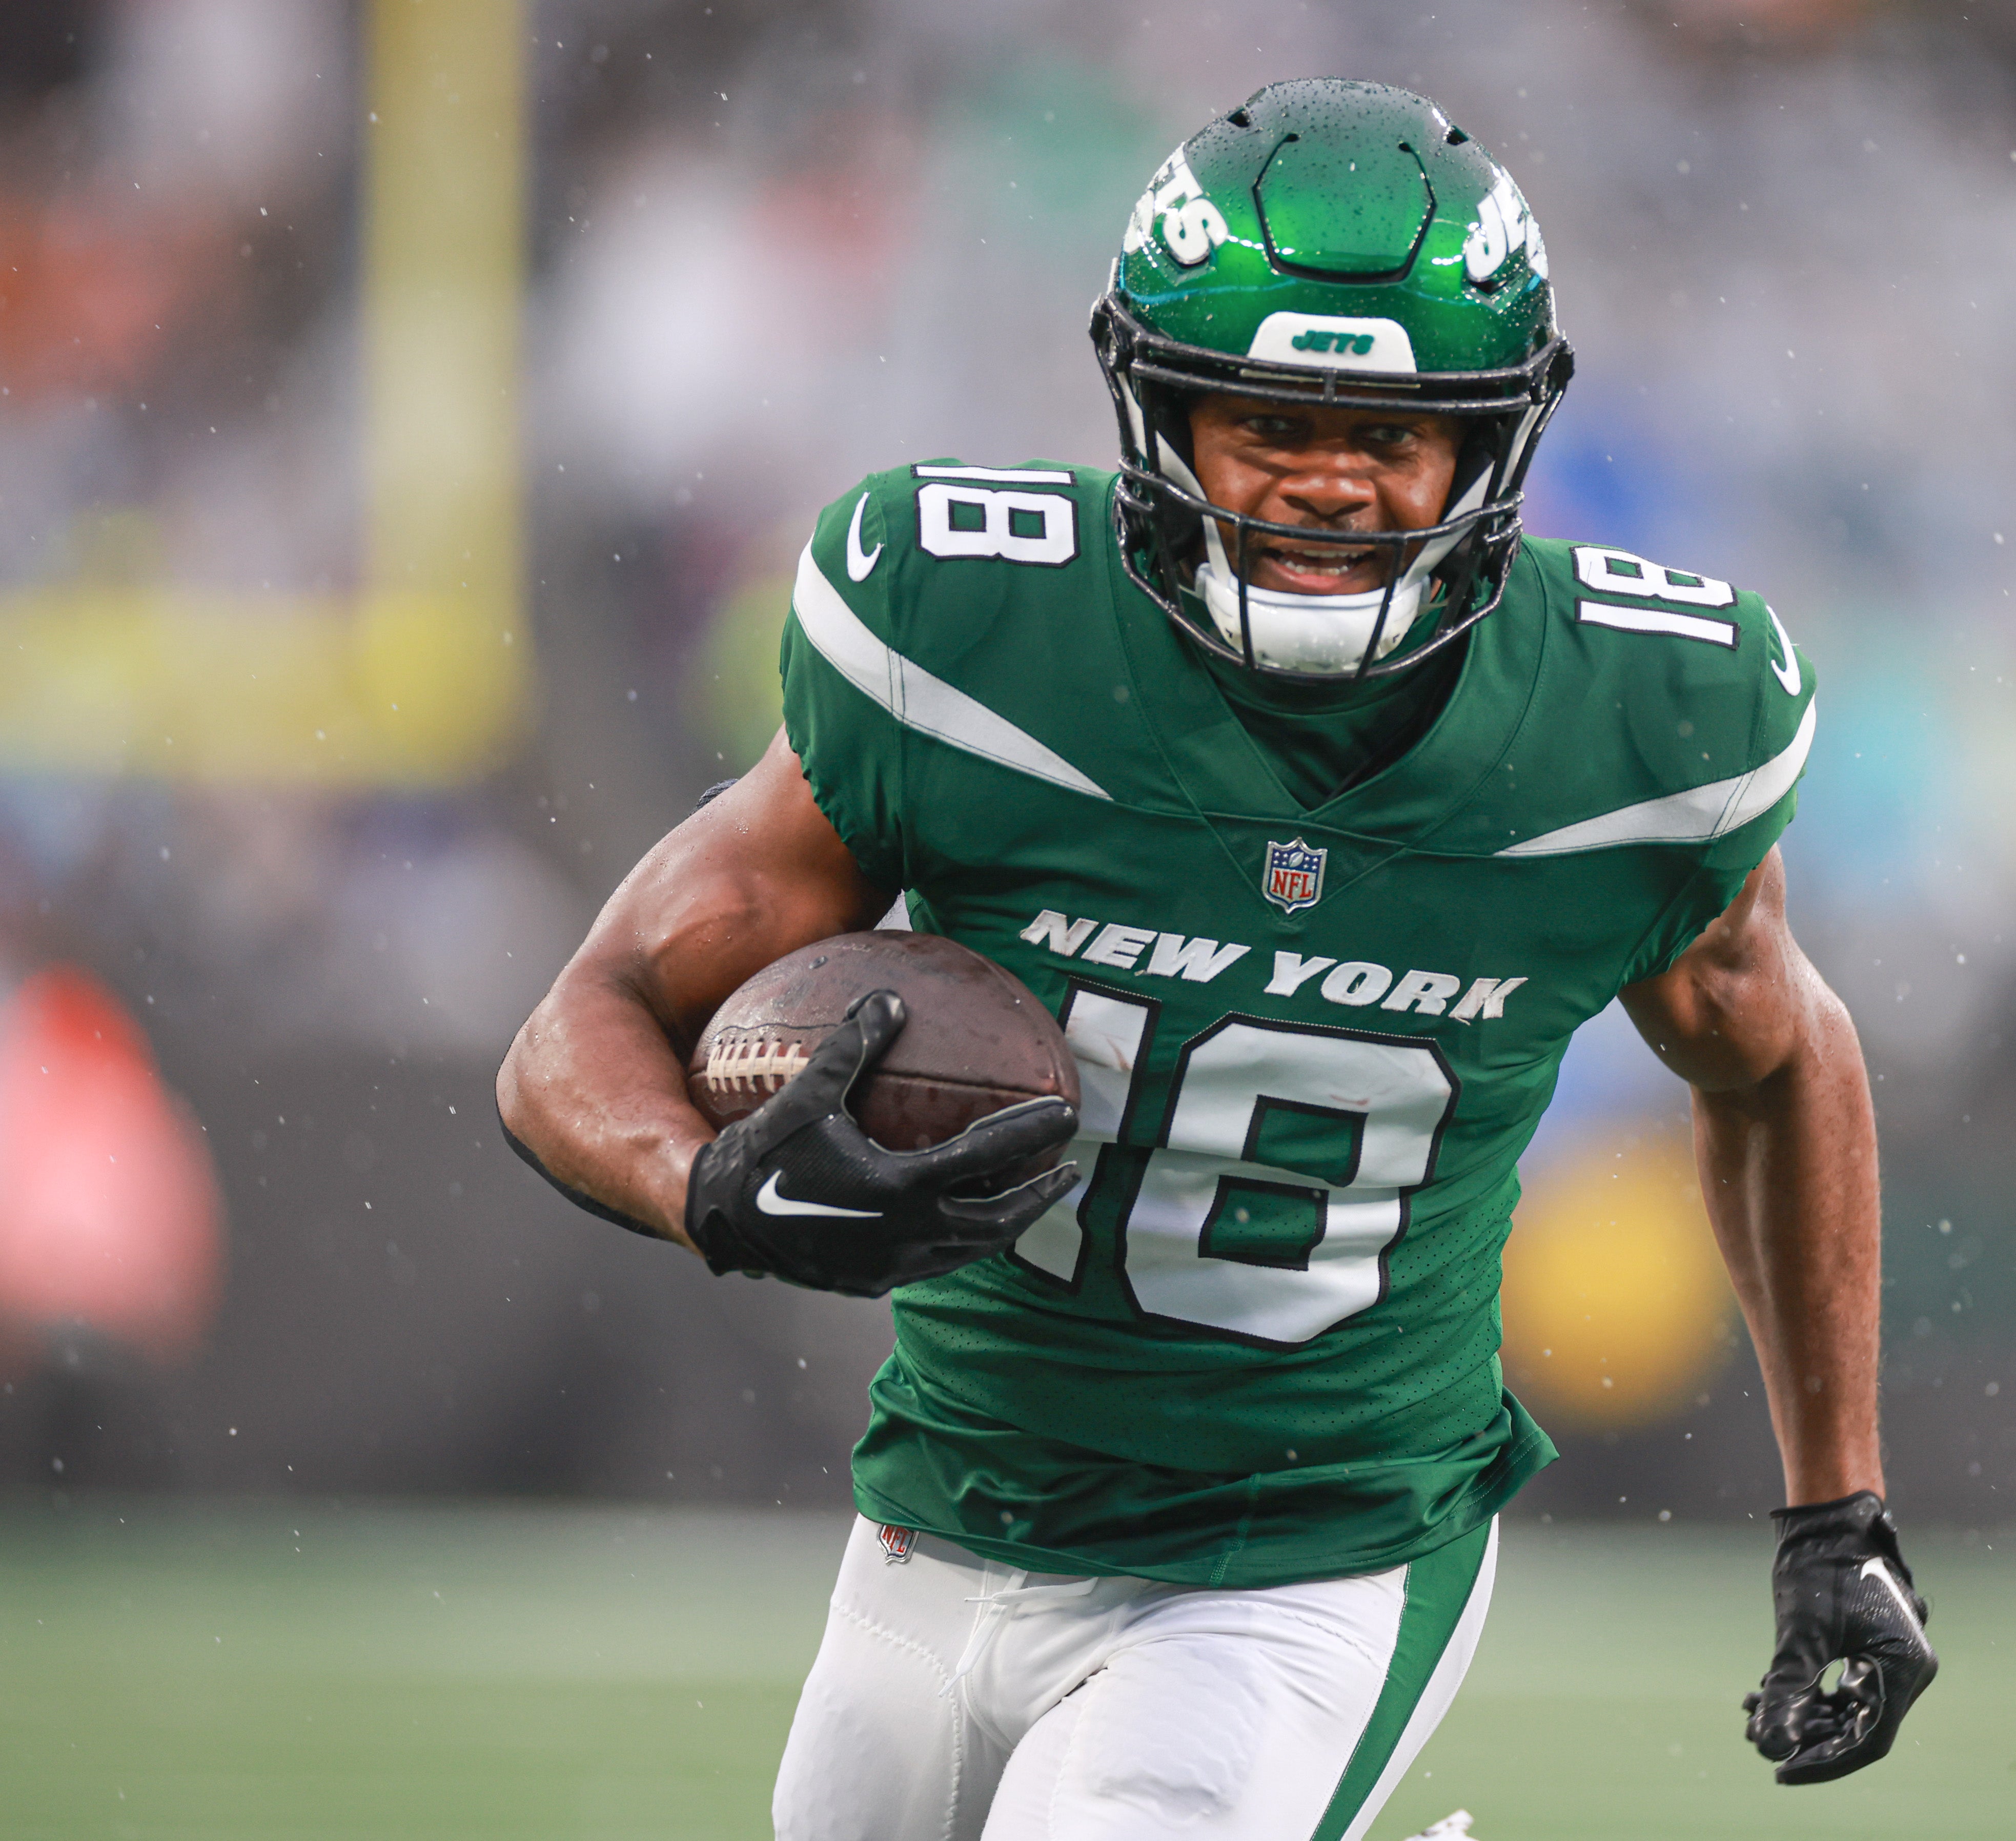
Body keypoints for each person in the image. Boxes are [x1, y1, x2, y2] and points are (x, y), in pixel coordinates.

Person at [496, 77, 1932, 1841]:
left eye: (1391, 434)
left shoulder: (1638, 728)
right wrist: (706, 1186)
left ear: (1493, 447)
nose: (1327, 482)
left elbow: (1779, 1057)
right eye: (1264, 419)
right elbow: (578, 1029)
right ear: (1156, 411)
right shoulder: (972, 641)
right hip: (944, 1514)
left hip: (1311, 1556)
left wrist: (1836, 1514)